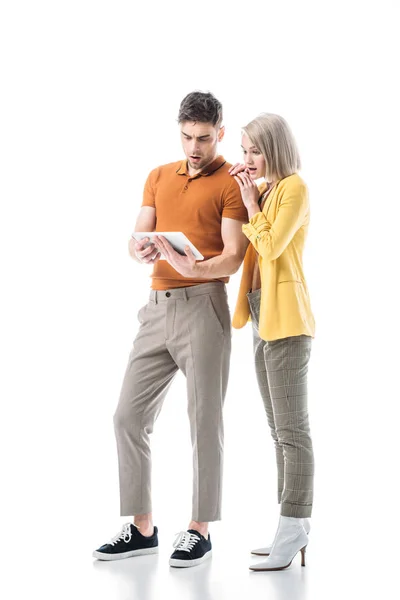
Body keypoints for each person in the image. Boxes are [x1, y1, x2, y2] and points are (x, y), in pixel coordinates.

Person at [93, 91, 248, 568]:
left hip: (204, 308)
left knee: (204, 423)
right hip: (156, 309)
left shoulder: (231, 183)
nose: (194, 147)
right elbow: (138, 234)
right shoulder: (159, 175)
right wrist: (138, 250)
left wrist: (192, 266)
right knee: (126, 416)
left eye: (203, 138)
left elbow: (234, 257)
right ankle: (142, 529)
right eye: (186, 137)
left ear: (220, 132)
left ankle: (199, 530)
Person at [229, 113, 315, 571]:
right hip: (264, 319)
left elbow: (270, 246)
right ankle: (288, 527)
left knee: (294, 434)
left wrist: (249, 204)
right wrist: (251, 196)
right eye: (243, 151)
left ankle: (295, 525)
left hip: (287, 322)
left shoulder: (294, 188)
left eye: (255, 151)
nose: (248, 159)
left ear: (275, 149)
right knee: (278, 432)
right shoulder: (267, 192)